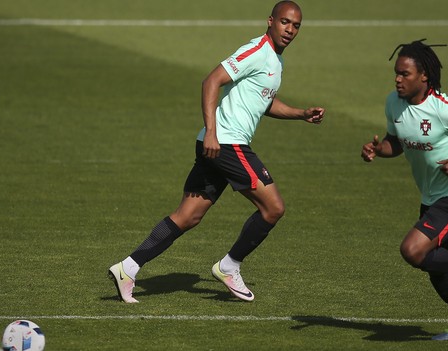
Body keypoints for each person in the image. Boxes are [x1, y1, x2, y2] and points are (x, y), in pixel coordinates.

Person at [109, 1, 325, 303]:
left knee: (188, 216)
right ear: (271, 21)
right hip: (226, 143)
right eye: (285, 22)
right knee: (273, 207)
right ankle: (229, 266)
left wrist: (301, 113)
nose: (290, 30)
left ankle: (127, 268)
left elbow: (265, 102)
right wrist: (211, 131)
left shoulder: (275, 61)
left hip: (219, 143)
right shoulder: (256, 51)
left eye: (296, 25)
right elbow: (211, 80)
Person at [361, 39, 448, 341]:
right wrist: (378, 150)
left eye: (405, 74)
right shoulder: (393, 103)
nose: (398, 80)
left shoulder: (444, 108)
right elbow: (397, 142)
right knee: (436, 265)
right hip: (432, 198)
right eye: (396, 74)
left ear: (424, 75)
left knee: (413, 250)